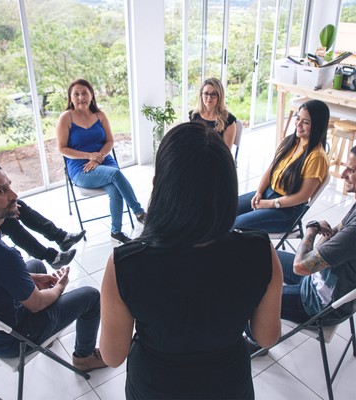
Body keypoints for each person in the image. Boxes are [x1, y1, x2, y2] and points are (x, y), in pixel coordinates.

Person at [100, 122, 283, 399]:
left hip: (155, 386)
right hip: (228, 384)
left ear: (160, 185)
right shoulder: (259, 250)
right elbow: (266, 337)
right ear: (226, 187)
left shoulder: (125, 263)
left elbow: (113, 356)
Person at [0, 163, 107, 372]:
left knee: (35, 264)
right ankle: (85, 357)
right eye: (1, 191)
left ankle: (50, 331)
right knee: (91, 296)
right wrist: (59, 287)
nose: (13, 194)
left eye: (9, 186)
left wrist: (27, 278)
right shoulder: (3, 255)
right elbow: (36, 304)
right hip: (12, 339)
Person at [0, 113, 85, 269]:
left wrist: (6, 200)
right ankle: (50, 256)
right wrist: (3, 207)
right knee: (9, 220)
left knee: (18, 205)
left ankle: (60, 237)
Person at [56, 78, 146, 244]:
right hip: (81, 167)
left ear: (91, 95)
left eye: (84, 93)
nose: (81, 97)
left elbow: (110, 142)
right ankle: (139, 212)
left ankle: (116, 232)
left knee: (115, 189)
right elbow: (62, 148)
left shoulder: (100, 115)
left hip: (104, 161)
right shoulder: (66, 118)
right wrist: (89, 156)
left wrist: (98, 158)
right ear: (70, 97)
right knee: (115, 174)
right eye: (76, 94)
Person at [277, 145, 356, 324]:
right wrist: (317, 248)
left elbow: (300, 266)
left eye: (351, 170)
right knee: (263, 256)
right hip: (316, 277)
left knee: (253, 298)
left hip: (319, 304)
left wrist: (312, 229)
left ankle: (253, 340)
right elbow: (333, 232)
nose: (343, 174)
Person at [233, 99, 329, 233]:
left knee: (235, 225)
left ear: (317, 126)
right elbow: (272, 168)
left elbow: (302, 196)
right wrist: (259, 192)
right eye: (298, 118)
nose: (298, 124)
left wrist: (271, 204)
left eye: (305, 122)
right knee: (225, 211)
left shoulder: (317, 157)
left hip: (287, 211)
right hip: (268, 193)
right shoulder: (290, 141)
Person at [189, 77, 237, 149]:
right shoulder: (194, 115)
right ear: (201, 95)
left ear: (220, 96)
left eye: (214, 94)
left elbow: (225, 152)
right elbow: (191, 142)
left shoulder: (228, 120)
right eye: (206, 93)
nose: (209, 98)